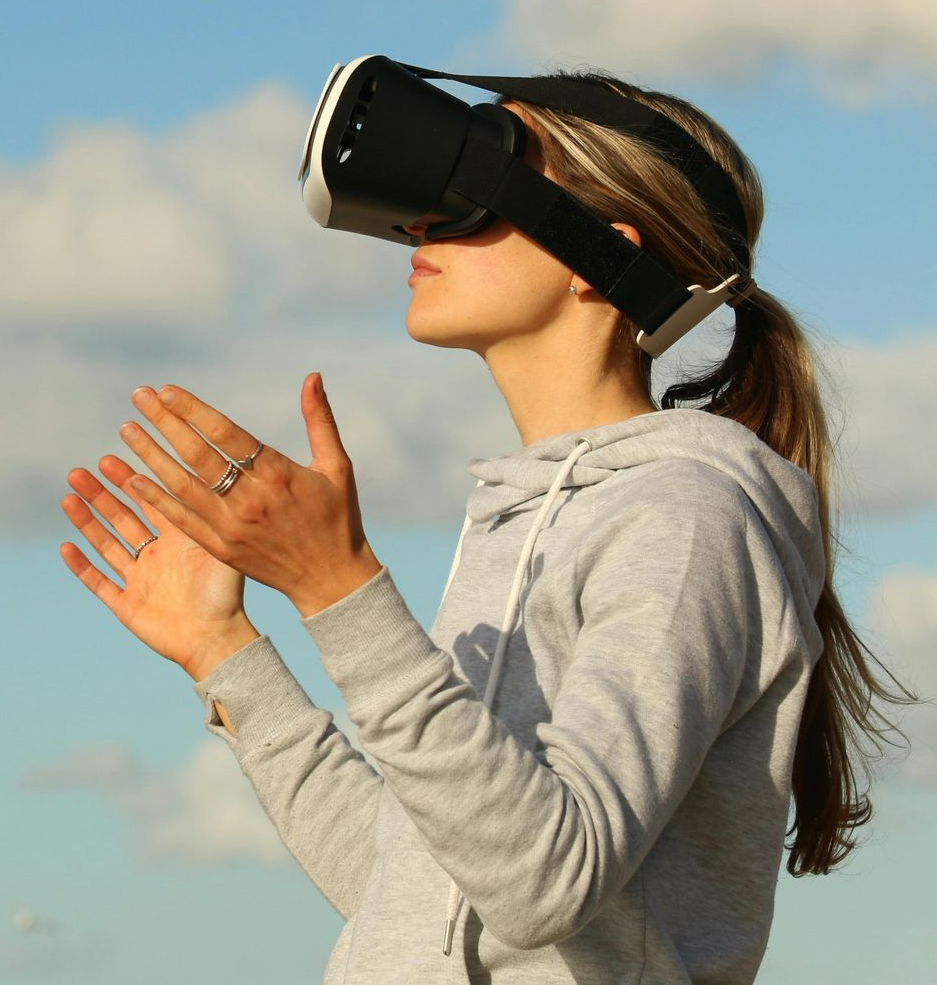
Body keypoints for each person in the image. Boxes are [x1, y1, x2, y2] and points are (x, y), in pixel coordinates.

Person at [60, 70, 906, 985]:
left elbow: (547, 883)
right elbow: (414, 895)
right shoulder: (519, 519)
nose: (420, 221)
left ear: (597, 254)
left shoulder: (686, 517)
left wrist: (336, 586)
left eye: (473, 180)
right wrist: (225, 653)